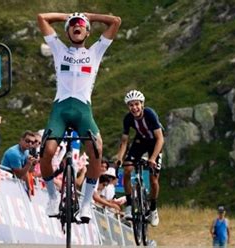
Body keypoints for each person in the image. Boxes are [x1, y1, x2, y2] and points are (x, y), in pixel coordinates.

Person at [37, 11, 121, 222]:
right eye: (73, 24)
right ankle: (52, 197)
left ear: (88, 31)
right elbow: (42, 18)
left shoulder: (96, 51)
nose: (77, 26)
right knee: (46, 150)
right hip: (60, 110)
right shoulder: (58, 49)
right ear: (67, 31)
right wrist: (69, 15)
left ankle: (85, 205)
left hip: (83, 110)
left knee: (96, 150)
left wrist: (88, 16)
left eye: (81, 24)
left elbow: (116, 22)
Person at [115, 90, 164, 226]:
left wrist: (152, 158)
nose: (134, 108)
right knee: (126, 169)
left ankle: (153, 209)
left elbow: (160, 139)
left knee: (154, 180)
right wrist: (120, 158)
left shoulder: (150, 114)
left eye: (137, 104)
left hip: (155, 143)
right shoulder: (128, 119)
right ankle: (130, 206)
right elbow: (124, 141)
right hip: (140, 141)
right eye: (131, 105)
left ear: (142, 104)